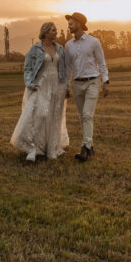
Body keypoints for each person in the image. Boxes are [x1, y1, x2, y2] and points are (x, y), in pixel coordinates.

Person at [10, 22, 70, 161]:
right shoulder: (35, 49)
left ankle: (52, 149)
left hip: (57, 86)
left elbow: (65, 69)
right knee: (40, 115)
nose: (56, 32)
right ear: (46, 32)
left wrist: (66, 86)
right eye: (53, 30)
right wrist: (30, 83)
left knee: (55, 116)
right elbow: (28, 68)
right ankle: (33, 148)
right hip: (41, 85)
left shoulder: (60, 48)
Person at [63, 12, 109, 162]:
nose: (68, 25)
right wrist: (66, 86)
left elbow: (101, 62)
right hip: (77, 84)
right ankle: (90, 147)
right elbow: (68, 67)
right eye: (68, 23)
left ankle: (85, 148)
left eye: (71, 23)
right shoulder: (68, 45)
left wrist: (106, 82)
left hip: (92, 82)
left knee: (87, 115)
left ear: (79, 23)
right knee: (83, 117)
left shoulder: (94, 42)